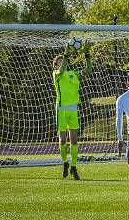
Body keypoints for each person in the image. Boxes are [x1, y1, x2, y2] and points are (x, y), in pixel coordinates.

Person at [53, 42, 92, 180]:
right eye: (59, 62)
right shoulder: (57, 74)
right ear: (55, 66)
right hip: (61, 110)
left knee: (74, 141)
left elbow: (88, 70)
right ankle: (65, 163)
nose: (62, 63)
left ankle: (74, 167)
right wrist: (66, 53)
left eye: (63, 60)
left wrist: (87, 55)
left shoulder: (73, 74)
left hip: (73, 110)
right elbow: (62, 69)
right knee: (63, 140)